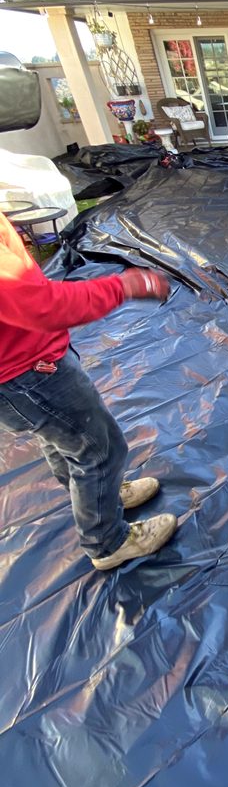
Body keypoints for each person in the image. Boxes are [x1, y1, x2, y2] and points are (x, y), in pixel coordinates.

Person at [0, 211, 178, 571]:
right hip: (26, 373)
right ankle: (107, 542)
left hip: (24, 362)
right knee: (100, 451)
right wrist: (124, 285)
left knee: (62, 441)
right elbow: (43, 306)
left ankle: (98, 496)